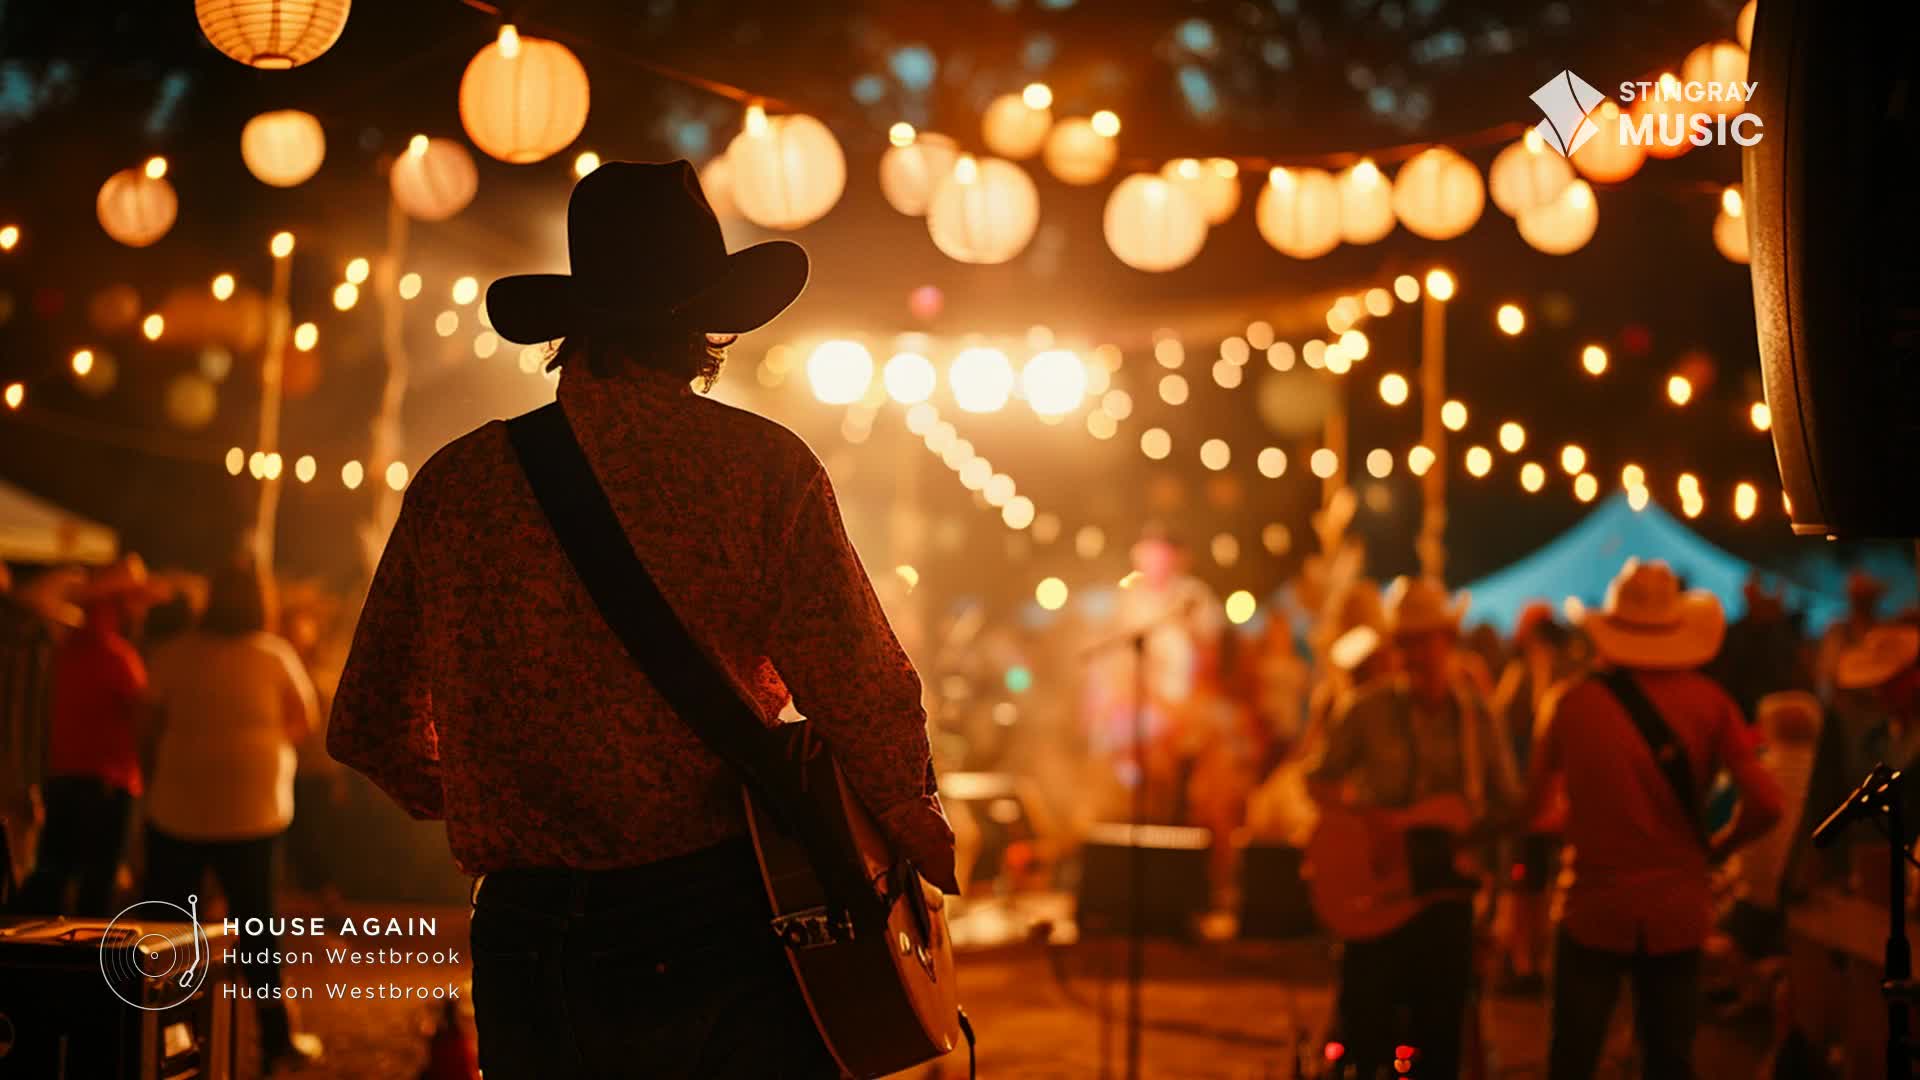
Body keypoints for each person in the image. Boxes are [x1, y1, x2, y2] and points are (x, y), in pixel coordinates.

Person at [329, 161, 956, 1079]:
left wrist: (485, 791)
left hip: (526, 935)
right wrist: (915, 818)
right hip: (723, 920)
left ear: (573, 327)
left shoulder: (454, 486)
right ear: (705, 323)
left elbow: (366, 726)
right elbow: (861, 689)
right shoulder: (763, 470)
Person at [1525, 559, 1784, 1080]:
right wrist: (1718, 846)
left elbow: (1535, 810)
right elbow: (1768, 804)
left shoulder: (1568, 703)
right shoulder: (1711, 704)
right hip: (1677, 910)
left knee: (1573, 1056)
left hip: (1591, 905)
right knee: (1669, 1060)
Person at [1308, 576, 1520, 1080]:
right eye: (1406, 642)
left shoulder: (1478, 719)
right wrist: (1367, 827)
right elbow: (1319, 781)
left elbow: (1508, 805)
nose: (1415, 654)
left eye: (1425, 640)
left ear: (1448, 641)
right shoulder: (1366, 709)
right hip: (1377, 896)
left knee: (1439, 1039)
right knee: (1364, 1032)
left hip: (1443, 902)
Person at [143, 556, 321, 1069]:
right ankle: (275, 1040)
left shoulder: (175, 654)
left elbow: (148, 726)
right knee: (259, 926)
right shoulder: (274, 656)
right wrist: (262, 748)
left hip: (178, 805)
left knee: (167, 931)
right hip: (254, 809)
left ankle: (161, 1038)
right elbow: (304, 720)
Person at [17, 556, 160, 915]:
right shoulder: (120, 659)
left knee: (52, 879)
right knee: (97, 891)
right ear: (117, 607)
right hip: (108, 787)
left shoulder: (62, 653)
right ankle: (90, 970)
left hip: (61, 777)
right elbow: (143, 724)